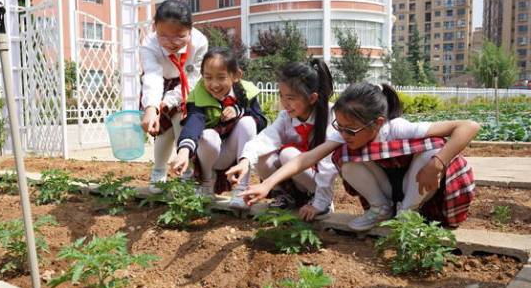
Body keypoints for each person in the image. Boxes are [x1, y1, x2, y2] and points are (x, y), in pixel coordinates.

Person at [241, 82, 480, 231]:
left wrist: (437, 164)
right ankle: (380, 208)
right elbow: (307, 158)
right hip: (387, 189)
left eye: (351, 129)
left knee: (433, 149)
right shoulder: (346, 135)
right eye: (340, 127)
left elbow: (469, 126)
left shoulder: (397, 128)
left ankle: (408, 214)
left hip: (415, 187)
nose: (344, 134)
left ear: (377, 123)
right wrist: (267, 184)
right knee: (345, 158)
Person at [225, 61, 338, 221]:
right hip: (297, 177)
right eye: (281, 95)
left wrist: (321, 202)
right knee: (262, 156)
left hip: (319, 182)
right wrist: (245, 160)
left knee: (287, 154)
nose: (284, 103)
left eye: (291, 98)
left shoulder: (331, 116)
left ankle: (318, 199)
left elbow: (328, 166)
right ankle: (286, 196)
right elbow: (264, 139)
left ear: (312, 98)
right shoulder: (286, 117)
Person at [170, 47, 267, 208]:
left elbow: (261, 122)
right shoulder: (198, 95)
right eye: (208, 77)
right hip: (209, 157)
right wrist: (184, 150)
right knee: (208, 135)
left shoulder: (247, 92)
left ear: (236, 75)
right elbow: (194, 121)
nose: (214, 84)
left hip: (235, 156)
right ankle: (206, 183)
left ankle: (242, 189)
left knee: (248, 122)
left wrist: (239, 111)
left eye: (221, 77)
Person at [140, 0, 208, 192]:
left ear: (190, 30)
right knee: (163, 131)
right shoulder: (149, 44)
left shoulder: (199, 42)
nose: (171, 43)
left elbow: (194, 78)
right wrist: (152, 107)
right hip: (159, 85)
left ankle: (187, 173)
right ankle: (159, 171)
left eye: (179, 36)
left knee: (182, 123)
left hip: (186, 85)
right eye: (163, 36)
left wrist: (170, 100)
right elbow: (152, 75)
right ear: (155, 28)